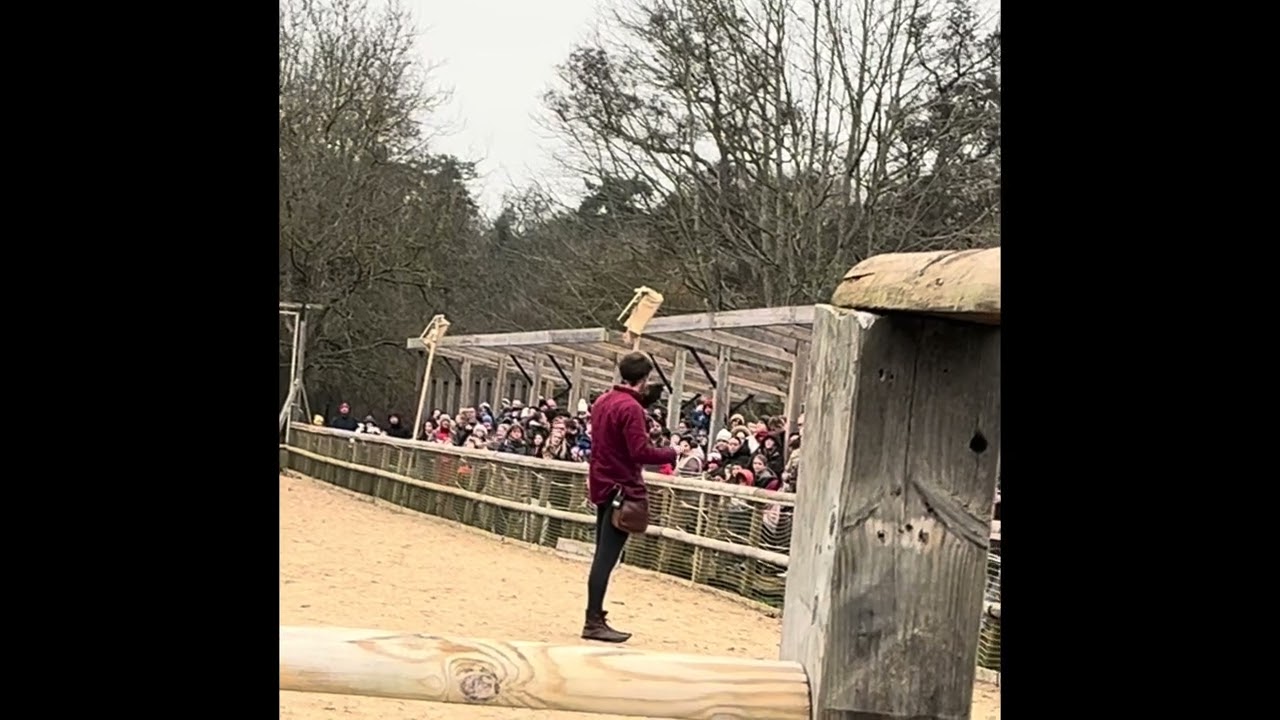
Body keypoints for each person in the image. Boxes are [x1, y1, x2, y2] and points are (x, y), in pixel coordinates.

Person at [582, 353, 677, 643]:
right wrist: (670, 453)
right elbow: (639, 452)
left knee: (603, 552)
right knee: (606, 557)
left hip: (601, 483)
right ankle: (593, 619)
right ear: (645, 378)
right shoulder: (630, 409)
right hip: (621, 487)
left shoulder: (603, 401)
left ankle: (594, 616)